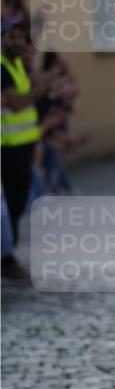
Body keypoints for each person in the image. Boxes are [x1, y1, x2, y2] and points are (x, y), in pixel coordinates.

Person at [0, 20, 57, 279]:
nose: (18, 42)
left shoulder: (16, 66)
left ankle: (8, 256)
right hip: (8, 148)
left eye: (22, 38)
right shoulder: (3, 68)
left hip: (23, 146)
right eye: (12, 37)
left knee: (18, 204)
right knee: (11, 206)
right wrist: (42, 89)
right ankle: (7, 260)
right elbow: (18, 104)